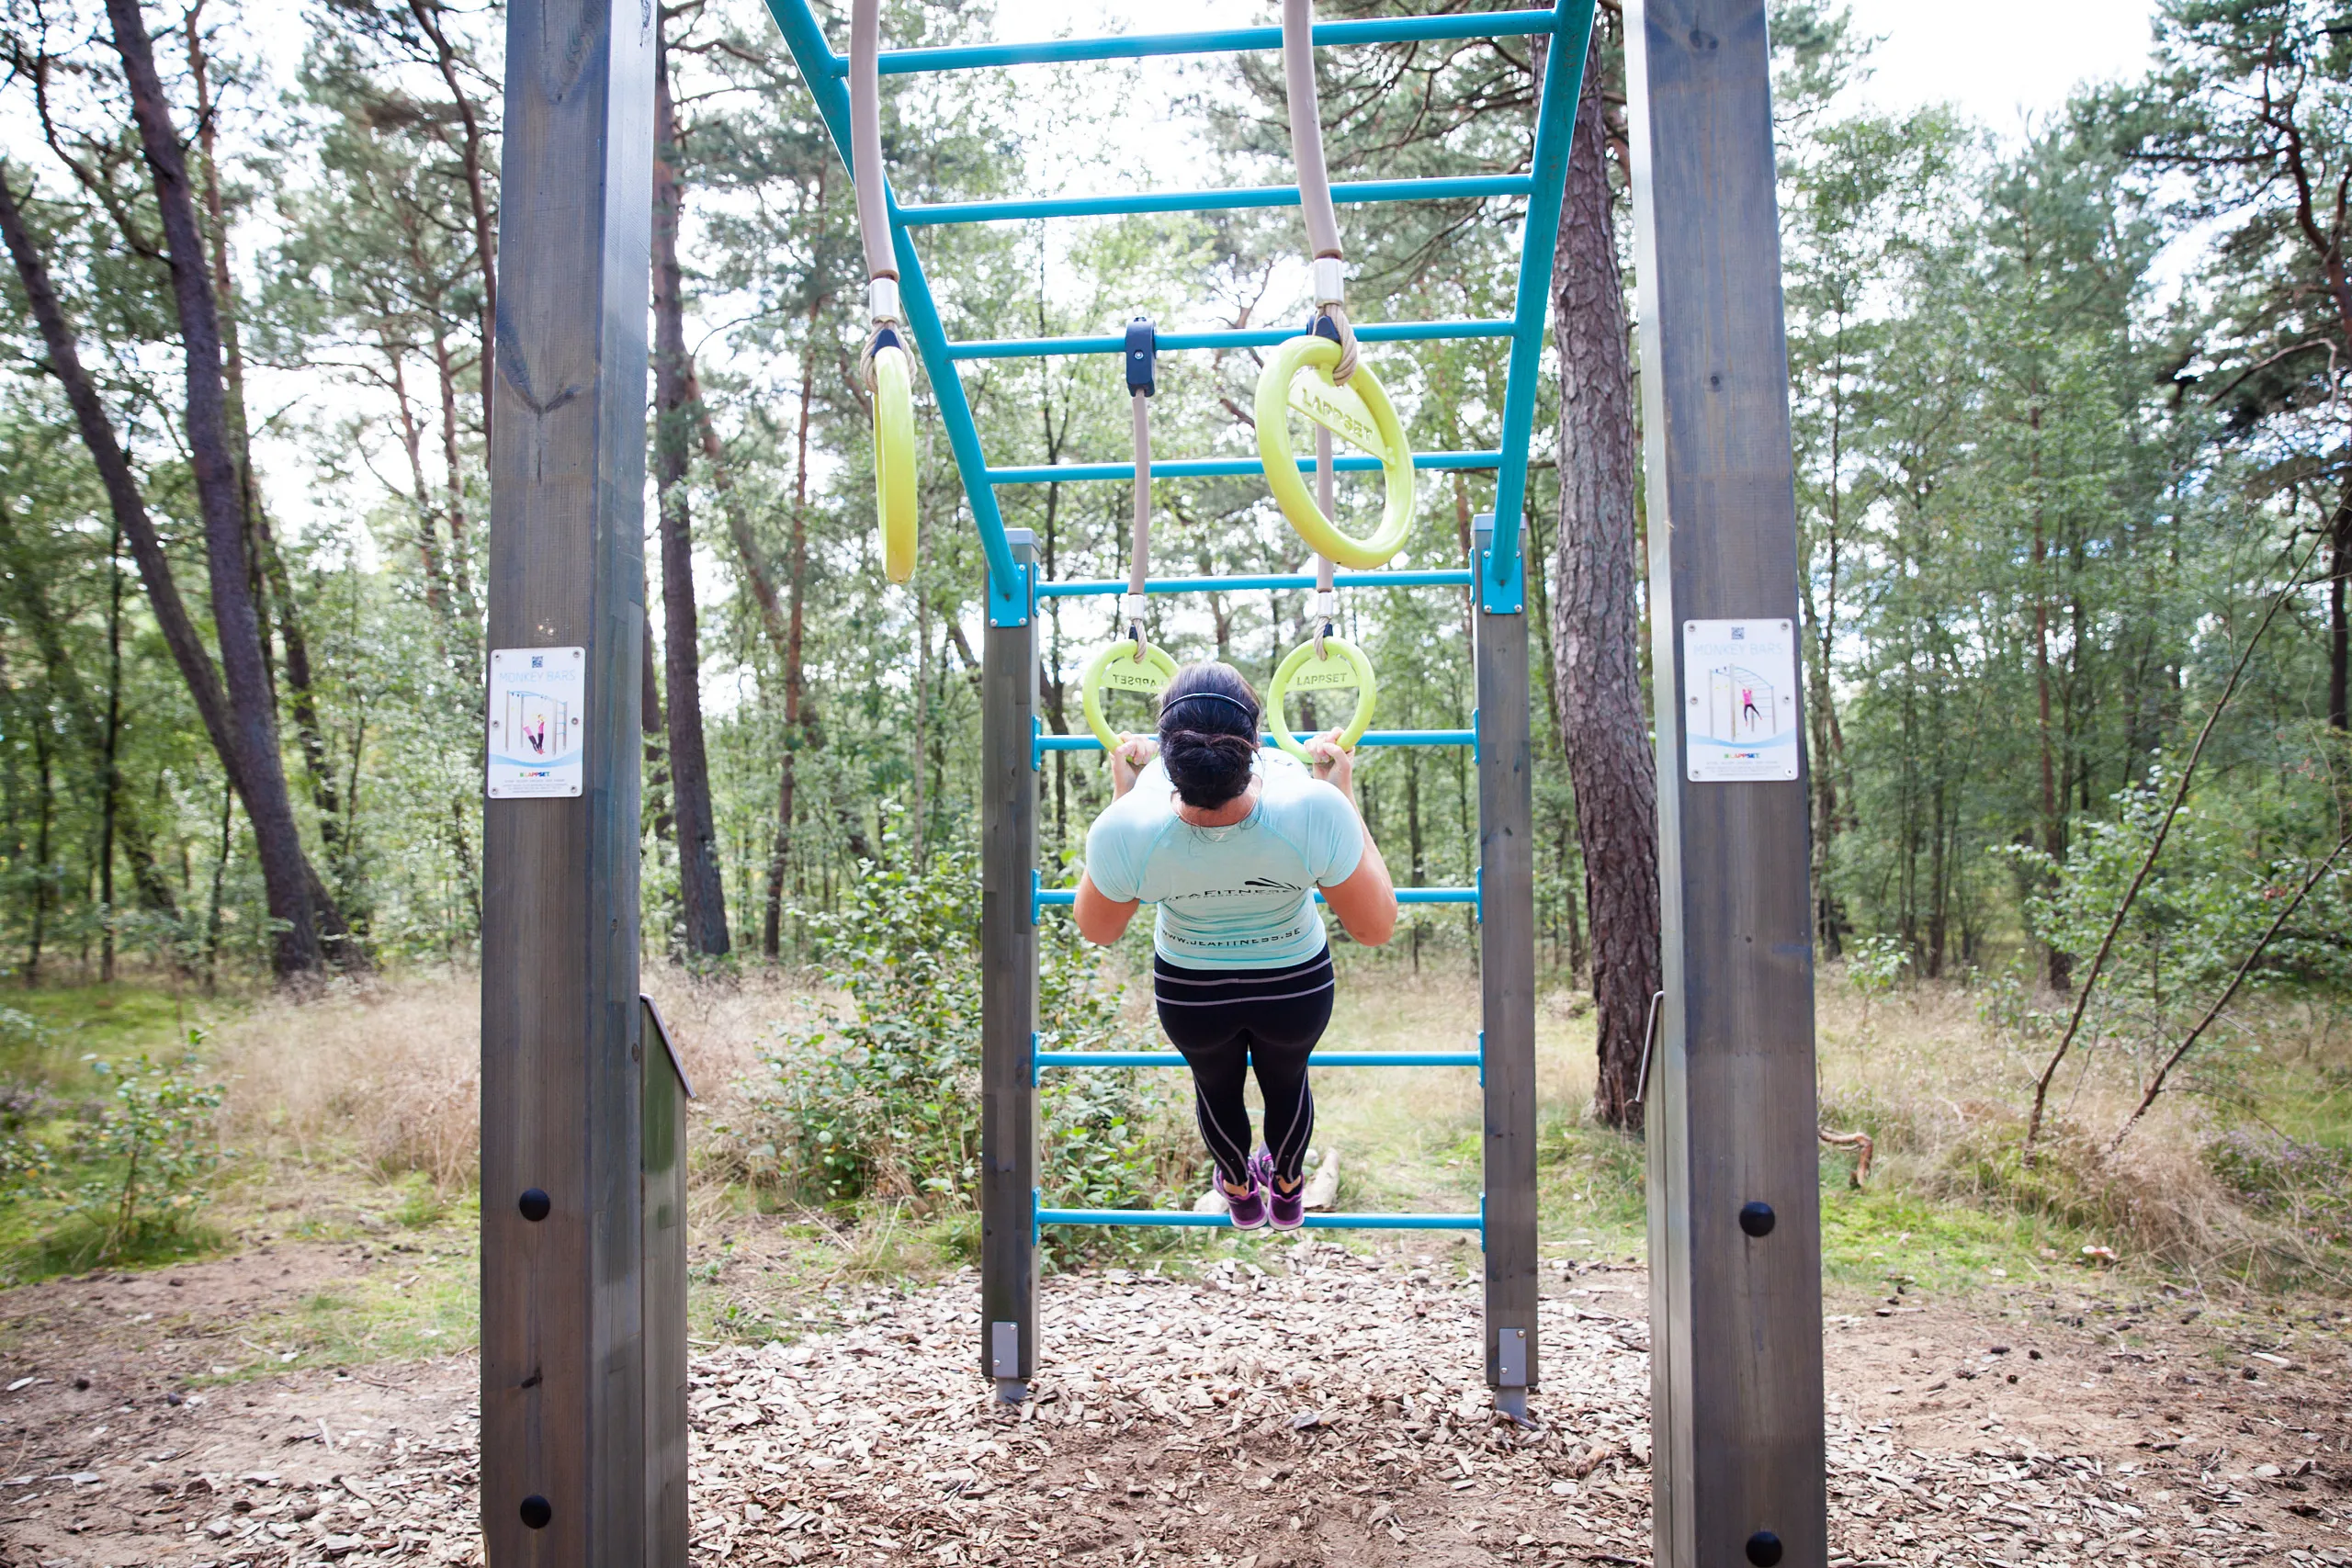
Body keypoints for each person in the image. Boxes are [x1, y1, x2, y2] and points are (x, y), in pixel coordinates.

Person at [1073, 660, 1396, 1230]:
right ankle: (1289, 1187)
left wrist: (1123, 796)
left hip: (1193, 993)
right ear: (1255, 741)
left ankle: (1241, 1191)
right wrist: (1341, 793)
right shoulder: (1312, 806)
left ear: (1167, 752)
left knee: (1214, 1087)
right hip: (1293, 985)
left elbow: (1100, 928)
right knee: (1287, 1079)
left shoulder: (1127, 825)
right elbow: (1374, 929)